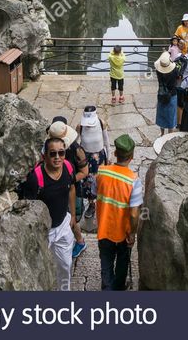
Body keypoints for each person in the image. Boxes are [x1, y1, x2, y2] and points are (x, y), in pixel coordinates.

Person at [18, 137, 76, 291]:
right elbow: (28, 208)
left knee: (66, 264)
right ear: (45, 156)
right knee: (38, 269)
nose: (58, 157)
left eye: (61, 153)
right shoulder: (36, 179)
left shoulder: (68, 168)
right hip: (44, 232)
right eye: (53, 154)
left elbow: (71, 189)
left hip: (63, 225)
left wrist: (74, 216)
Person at [95, 134, 143, 291]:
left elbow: (96, 192)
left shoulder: (102, 172)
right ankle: (119, 286)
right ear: (132, 155)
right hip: (123, 233)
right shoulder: (133, 180)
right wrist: (133, 234)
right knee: (123, 262)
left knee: (106, 262)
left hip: (104, 229)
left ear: (115, 153)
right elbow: (134, 214)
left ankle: (107, 289)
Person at [47, 118, 88, 258]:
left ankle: (80, 242)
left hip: (72, 189)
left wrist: (68, 180)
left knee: (72, 217)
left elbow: (84, 172)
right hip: (54, 188)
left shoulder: (77, 150)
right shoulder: (48, 149)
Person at [77, 107, 111, 219]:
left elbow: (106, 142)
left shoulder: (101, 123)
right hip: (86, 158)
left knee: (101, 181)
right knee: (88, 183)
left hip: (99, 159)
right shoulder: (80, 127)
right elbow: (77, 143)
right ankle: (92, 205)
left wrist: (109, 156)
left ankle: (103, 204)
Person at [154, 52, 178, 136]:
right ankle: (170, 133)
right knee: (171, 115)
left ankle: (162, 133)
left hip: (161, 93)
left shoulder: (158, 71)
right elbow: (177, 79)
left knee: (161, 113)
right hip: (172, 94)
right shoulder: (174, 70)